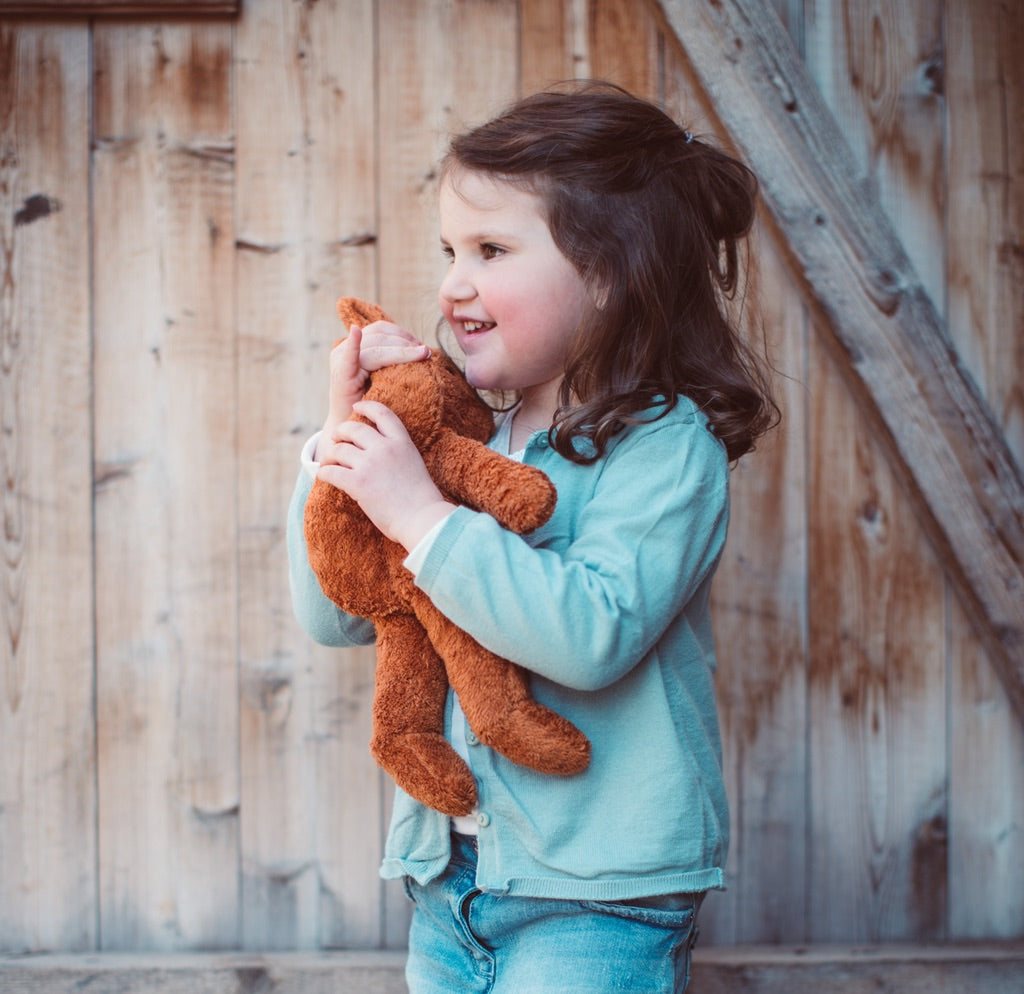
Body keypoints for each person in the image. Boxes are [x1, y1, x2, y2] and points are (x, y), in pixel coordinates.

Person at [287, 81, 777, 994]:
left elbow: (591, 637)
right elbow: (338, 614)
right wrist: (340, 446)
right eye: (450, 250)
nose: (452, 283)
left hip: (599, 897)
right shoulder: (464, 439)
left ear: (609, 273)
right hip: (450, 881)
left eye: (492, 249)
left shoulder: (667, 450)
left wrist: (422, 516)